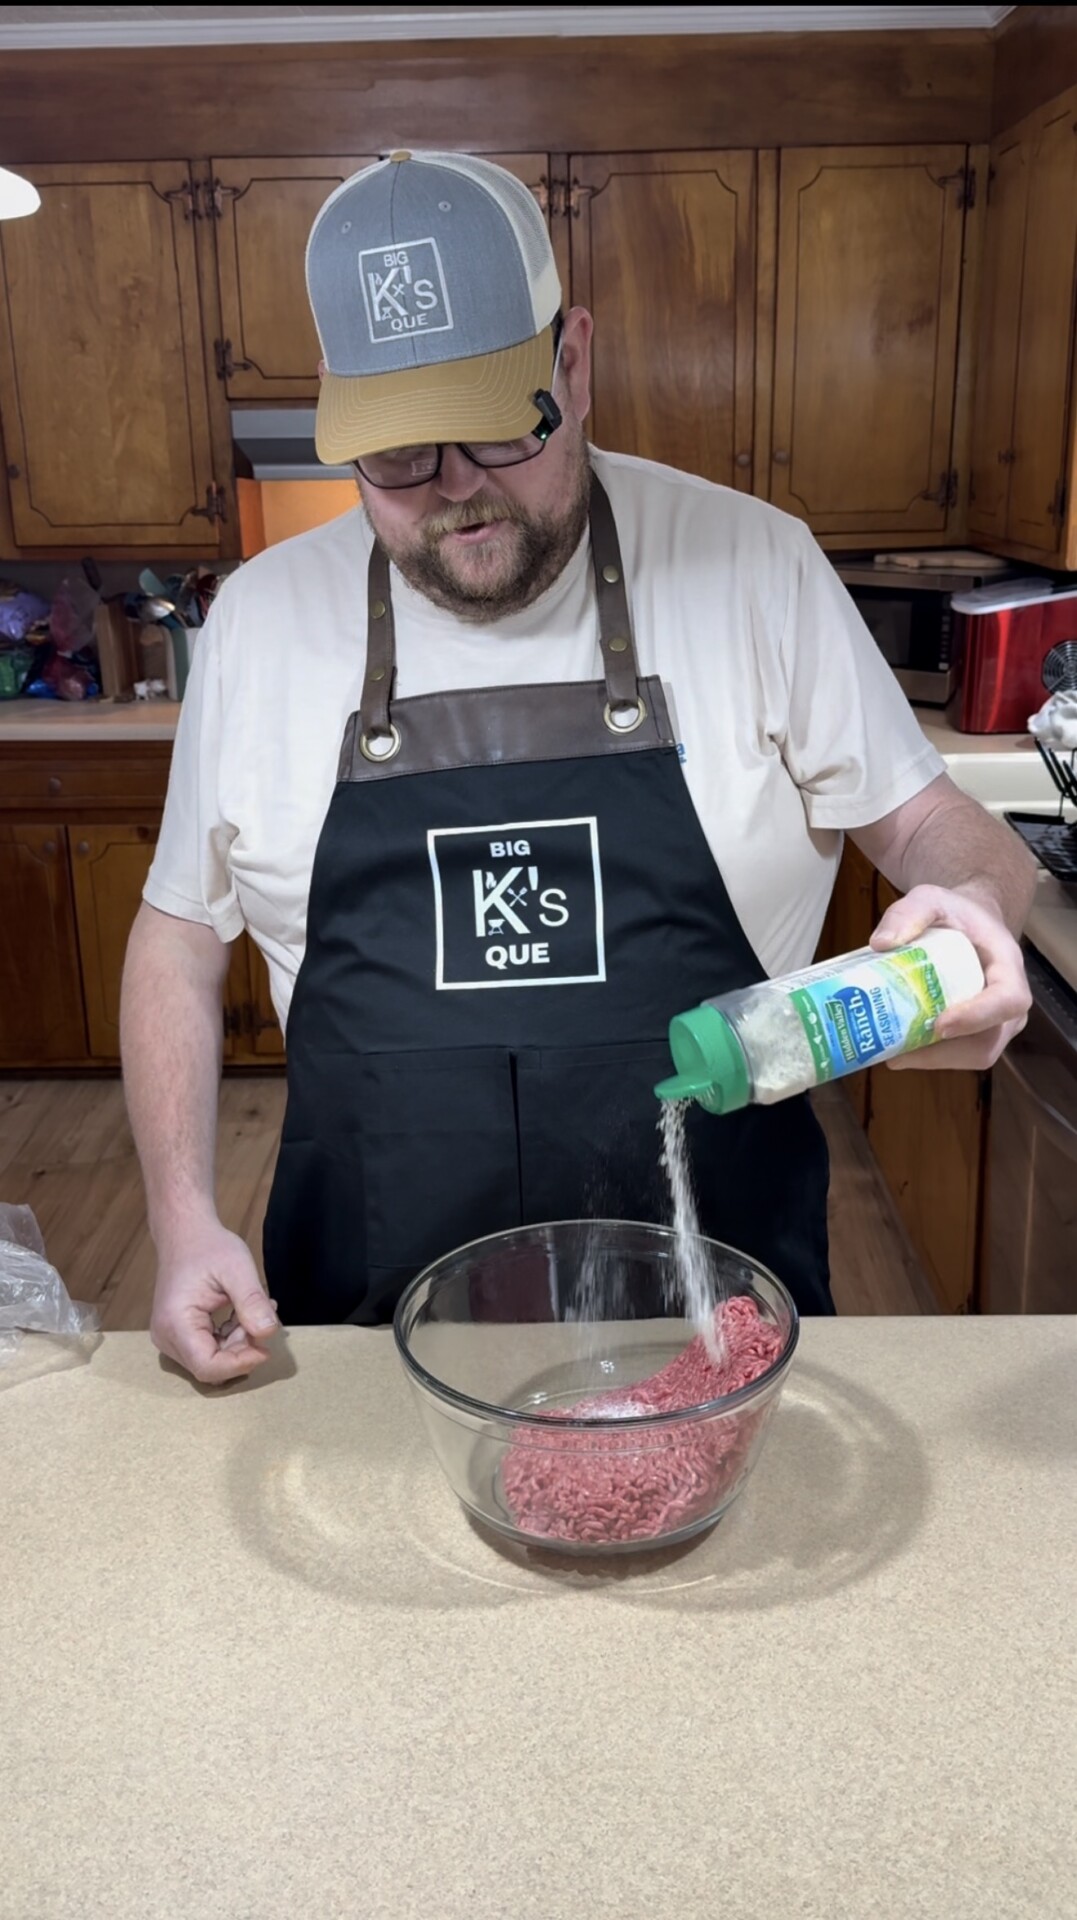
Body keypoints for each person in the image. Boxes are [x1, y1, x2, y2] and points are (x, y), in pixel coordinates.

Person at [120, 150, 1035, 1386]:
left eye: (500, 427)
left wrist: (975, 913)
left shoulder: (753, 564)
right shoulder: (260, 625)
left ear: (576, 361)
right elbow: (177, 936)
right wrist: (179, 1221)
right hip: (361, 1351)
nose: (456, 494)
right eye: (398, 454)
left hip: (717, 1337)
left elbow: (942, 831)